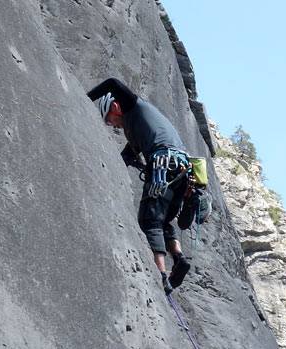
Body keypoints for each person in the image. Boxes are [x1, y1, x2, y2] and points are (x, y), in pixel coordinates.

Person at [87, 78, 205, 295]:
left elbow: (113, 83)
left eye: (109, 120)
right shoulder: (136, 130)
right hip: (183, 171)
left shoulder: (133, 106)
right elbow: (124, 157)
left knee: (148, 220)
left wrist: (84, 100)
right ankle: (178, 258)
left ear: (114, 107)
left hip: (164, 165)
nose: (112, 125)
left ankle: (161, 275)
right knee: (163, 221)